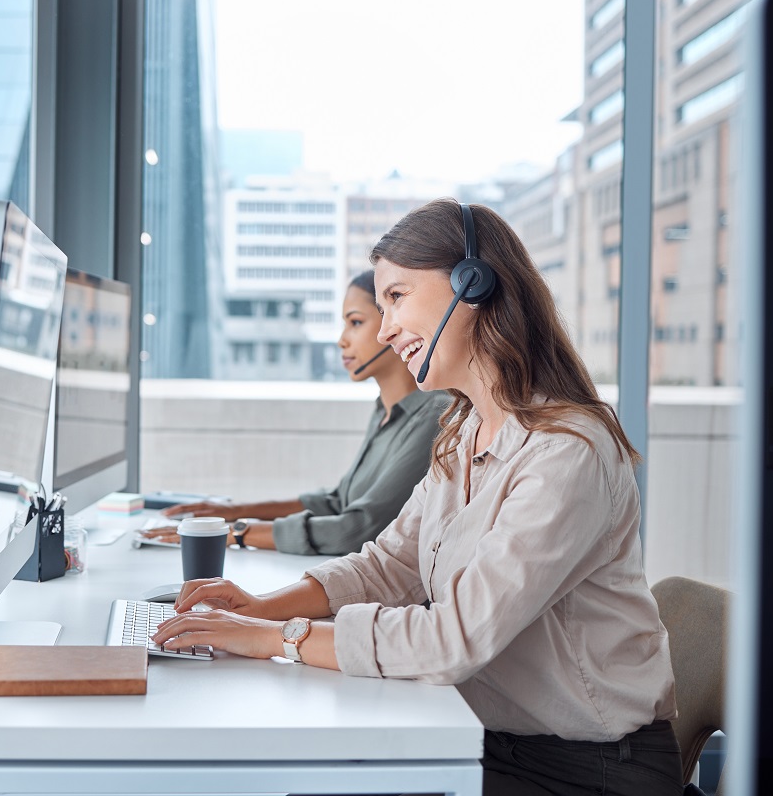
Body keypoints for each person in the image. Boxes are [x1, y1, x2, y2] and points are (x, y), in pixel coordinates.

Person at [152, 199, 682, 796]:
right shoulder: (462, 433)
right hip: (487, 738)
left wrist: (279, 639)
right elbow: (391, 563)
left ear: (472, 285)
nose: (384, 331)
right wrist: (257, 608)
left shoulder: (566, 451)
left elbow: (453, 638)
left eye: (397, 299)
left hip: (591, 770)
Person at [144, 269, 450, 555]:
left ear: (394, 326)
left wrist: (239, 532)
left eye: (355, 323)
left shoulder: (433, 416)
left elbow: (357, 529)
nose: (341, 339)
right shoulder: (384, 411)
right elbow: (337, 501)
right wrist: (234, 511)